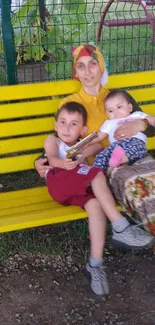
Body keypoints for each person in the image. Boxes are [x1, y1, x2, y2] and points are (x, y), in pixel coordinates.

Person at [34, 44, 155, 296]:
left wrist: (139, 125)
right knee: (140, 187)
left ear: (102, 67)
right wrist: (43, 158)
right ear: (75, 72)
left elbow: (144, 120)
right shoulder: (71, 103)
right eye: (81, 66)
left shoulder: (117, 96)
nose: (88, 71)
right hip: (99, 168)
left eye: (93, 64)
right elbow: (64, 140)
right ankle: (122, 234)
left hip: (133, 155)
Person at [86, 89, 155, 170]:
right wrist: (86, 143)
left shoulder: (137, 115)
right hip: (116, 146)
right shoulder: (109, 123)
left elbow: (151, 120)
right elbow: (98, 136)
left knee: (137, 149)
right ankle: (94, 171)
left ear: (129, 107)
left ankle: (120, 159)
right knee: (102, 156)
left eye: (119, 107)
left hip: (135, 141)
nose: (115, 112)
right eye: (110, 111)